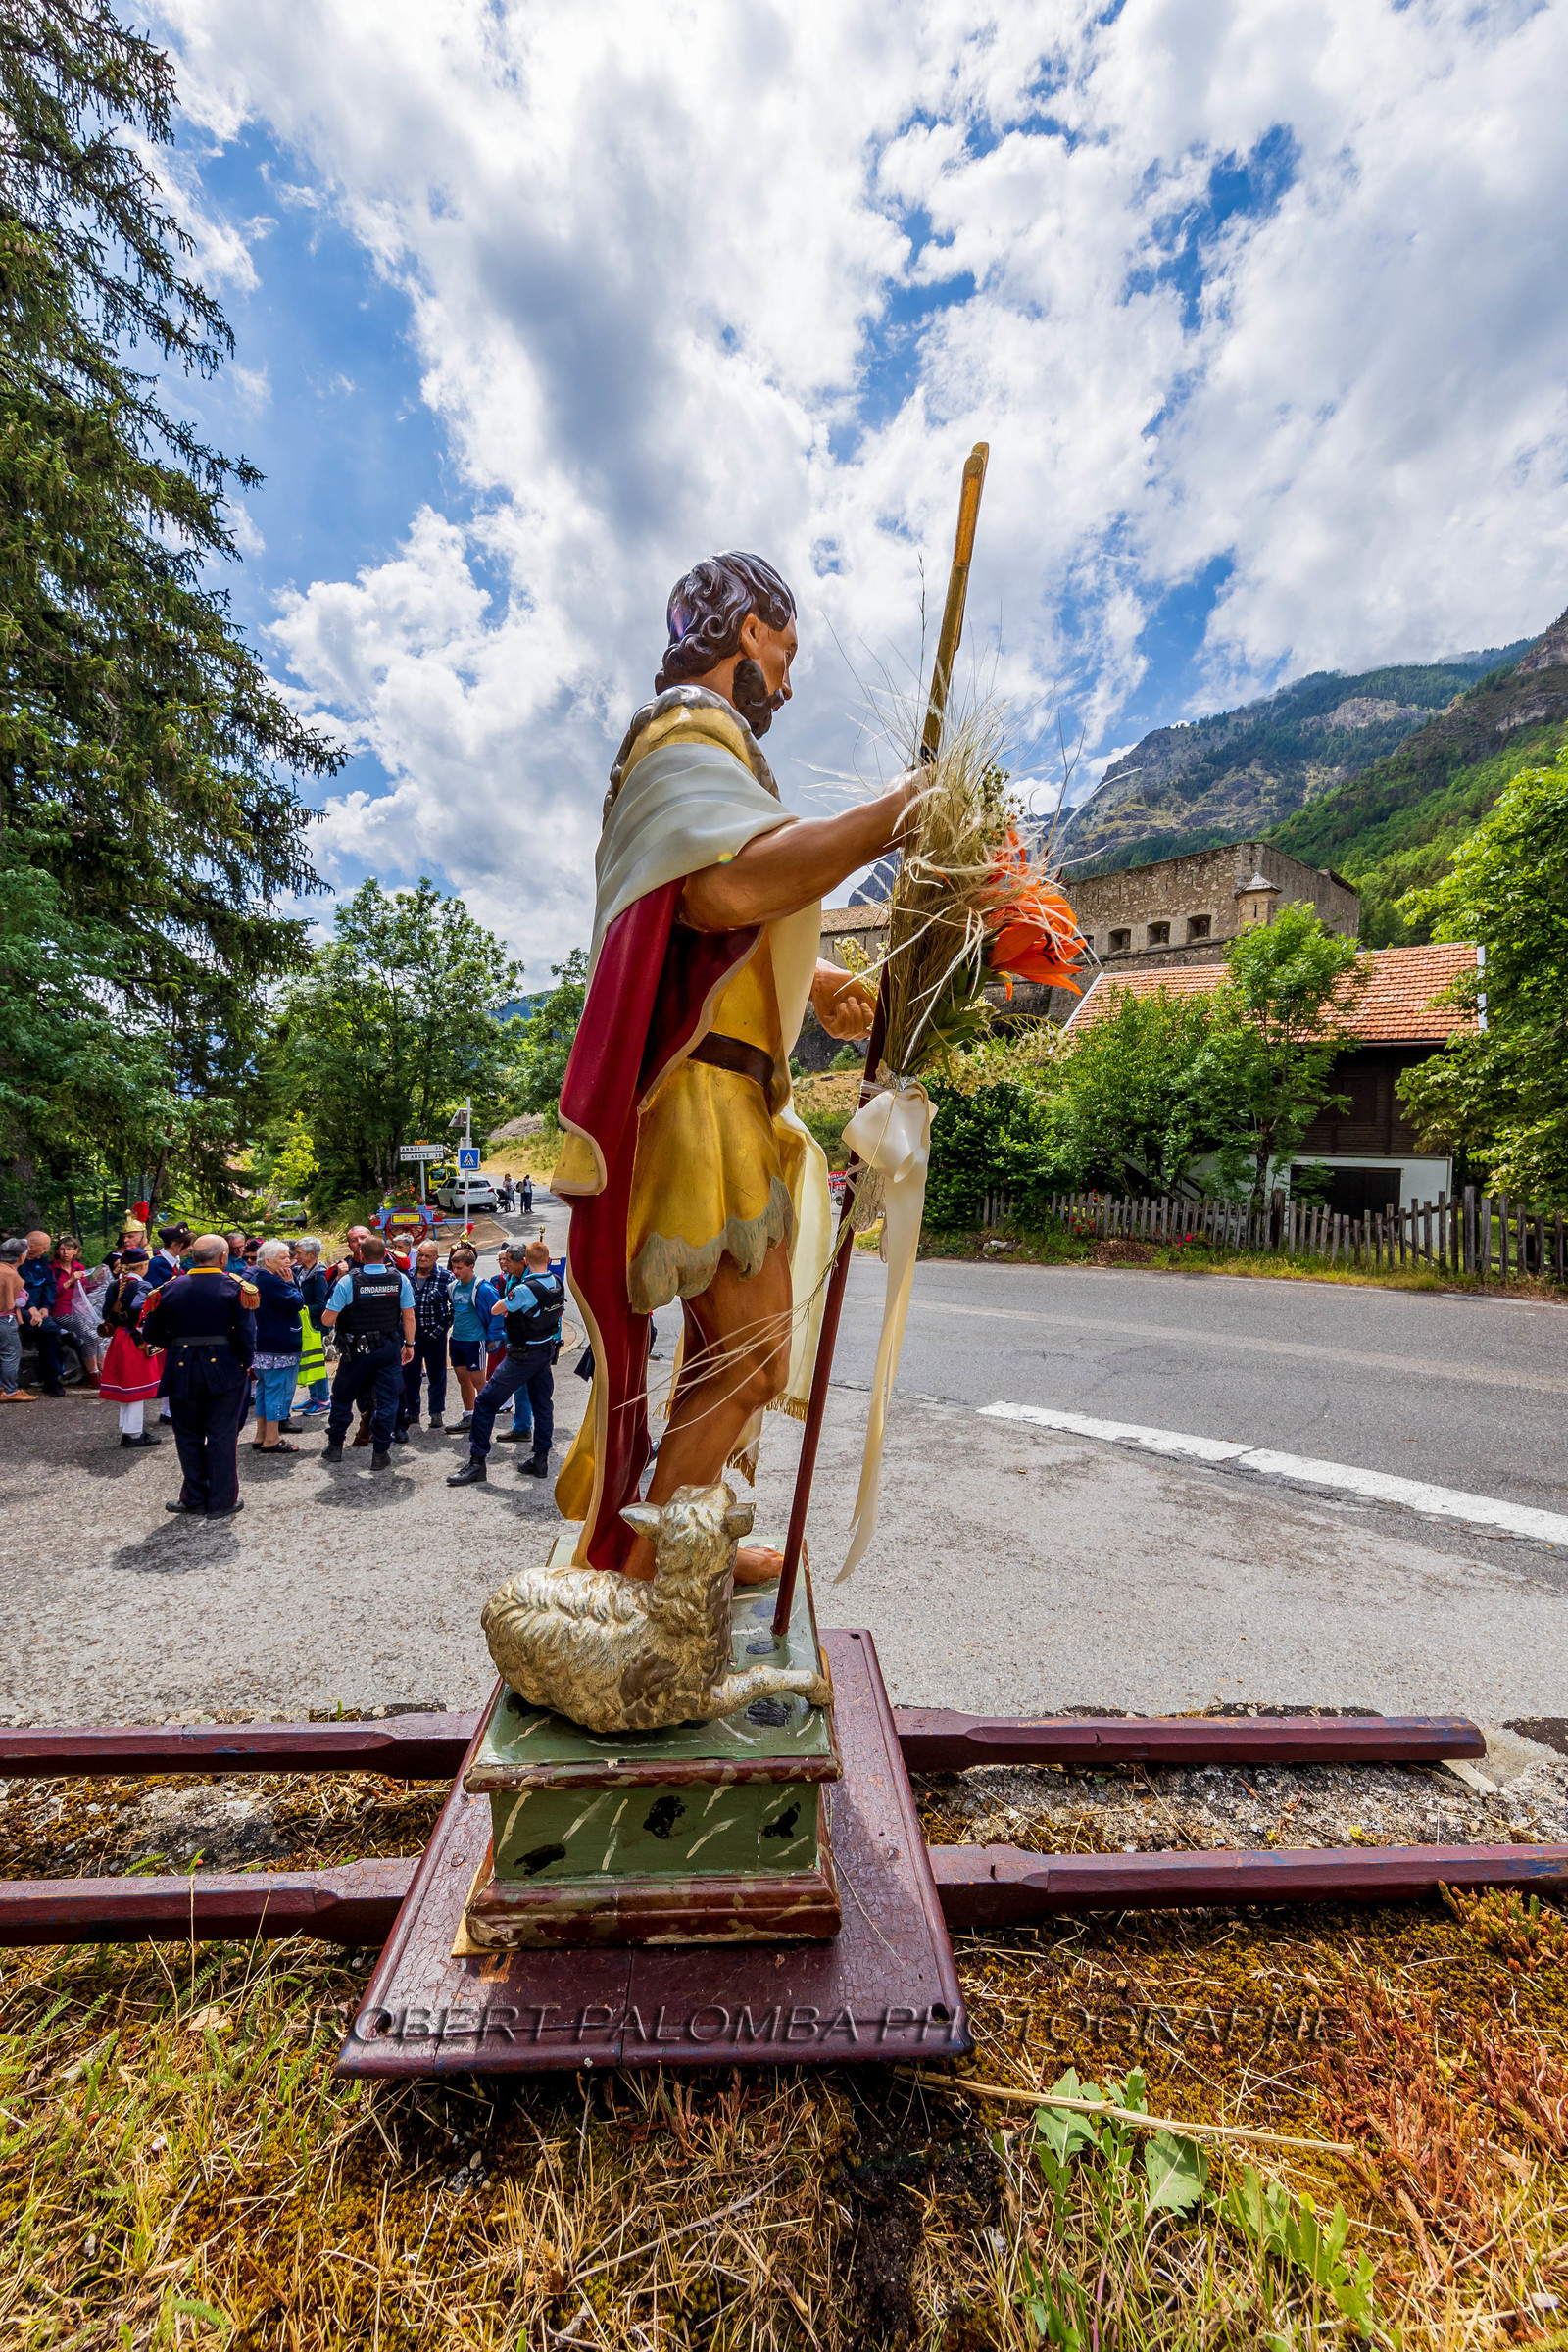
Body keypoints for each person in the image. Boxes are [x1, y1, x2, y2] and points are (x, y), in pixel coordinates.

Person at [551, 551, 893, 1578]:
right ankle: (648, 1578)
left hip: (731, 1089)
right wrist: (896, 812)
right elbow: (721, 892)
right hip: (700, 1094)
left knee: (726, 1352)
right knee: (750, 1360)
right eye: (784, 650)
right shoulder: (687, 734)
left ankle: (680, 1546)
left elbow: (705, 897)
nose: (787, 679)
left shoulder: (715, 750)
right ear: (748, 631)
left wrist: (818, 973)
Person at [143, 1234, 256, 1516]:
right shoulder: (236, 1288)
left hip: (182, 1365)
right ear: (223, 1258)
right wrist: (245, 1363)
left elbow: (152, 1333)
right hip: (226, 1366)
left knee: (187, 1434)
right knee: (221, 1434)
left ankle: (193, 1497)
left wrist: (181, 1342)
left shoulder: (168, 1289)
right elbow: (246, 1334)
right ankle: (221, 1500)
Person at [447, 1238, 564, 1488]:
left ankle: (477, 1462)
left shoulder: (524, 1289)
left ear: (526, 1262)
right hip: (544, 1350)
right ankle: (540, 1458)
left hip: (523, 1355)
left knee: (486, 1402)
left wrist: (510, 1308)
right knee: (542, 1406)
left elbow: (496, 1309)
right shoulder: (556, 1282)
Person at [319, 1235, 415, 1470]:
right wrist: (409, 1344)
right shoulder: (400, 1280)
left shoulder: (349, 1282)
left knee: (342, 1397)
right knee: (388, 1400)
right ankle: (380, 1452)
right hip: (388, 1347)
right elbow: (409, 1316)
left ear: (360, 1256)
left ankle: (335, 1447)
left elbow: (327, 1319)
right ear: (385, 1254)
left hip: (356, 1350)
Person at [99, 1247, 164, 1444]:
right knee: (136, 1386)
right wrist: (144, 1322)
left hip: (119, 1336)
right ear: (144, 1266)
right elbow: (138, 1307)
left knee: (126, 1385)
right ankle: (134, 1433)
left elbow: (104, 1313)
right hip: (135, 1339)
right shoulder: (143, 1285)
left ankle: (128, 1427)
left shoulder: (113, 1285)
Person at [250, 1238, 305, 1454]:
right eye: (283, 1258)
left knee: (264, 1389)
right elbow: (297, 1303)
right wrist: (292, 1283)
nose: (289, 1262)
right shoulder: (274, 1282)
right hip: (279, 1345)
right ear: (268, 1261)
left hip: (262, 1344)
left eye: (289, 1257)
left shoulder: (257, 1278)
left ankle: (261, 1434)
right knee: (278, 1389)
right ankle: (272, 1438)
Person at [400, 1237, 454, 1436]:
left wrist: (441, 1328)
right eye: (420, 1255)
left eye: (427, 1256)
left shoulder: (446, 1278)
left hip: (435, 1335)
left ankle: (436, 1412)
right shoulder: (407, 1276)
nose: (422, 1259)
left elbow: (454, 1308)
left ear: (436, 1258)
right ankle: (412, 1410)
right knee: (410, 1374)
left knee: (437, 1375)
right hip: (411, 1337)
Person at [445, 1246, 496, 1432]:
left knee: (479, 1382)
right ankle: (469, 1415)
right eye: (453, 1267)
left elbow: (496, 1312)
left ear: (471, 1266)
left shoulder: (483, 1288)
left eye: (459, 1268)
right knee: (462, 1379)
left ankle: (485, 1417)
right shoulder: (452, 1287)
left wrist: (494, 1337)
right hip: (457, 1340)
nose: (455, 1272)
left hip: (475, 1341)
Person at [16, 1230, 65, 1396]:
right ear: (31, 1246)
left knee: (49, 1332)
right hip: (19, 1307)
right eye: (44, 1247)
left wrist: (46, 1306)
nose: (47, 1250)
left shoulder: (42, 1261)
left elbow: (50, 1284)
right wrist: (31, 1307)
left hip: (40, 1307)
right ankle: (52, 1379)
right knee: (49, 1328)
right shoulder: (14, 1260)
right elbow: (14, 1288)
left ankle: (52, 1379)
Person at [50, 1237, 102, 1384]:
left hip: (79, 1310)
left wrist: (98, 1280)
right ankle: (94, 1374)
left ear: (76, 1251)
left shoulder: (79, 1267)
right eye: (61, 1249)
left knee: (98, 1332)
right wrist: (70, 1280)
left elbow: (85, 1290)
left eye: (69, 1249)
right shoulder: (52, 1269)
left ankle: (102, 1370)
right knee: (89, 1335)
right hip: (60, 1312)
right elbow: (51, 1293)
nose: (65, 1252)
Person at [292, 1238, 331, 1414]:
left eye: (299, 1253)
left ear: (311, 1254)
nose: (295, 1256)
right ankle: (313, 1397)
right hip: (304, 1325)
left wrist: (300, 1308)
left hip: (315, 1326)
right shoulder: (300, 1271)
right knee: (308, 1361)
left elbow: (321, 1305)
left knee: (317, 1362)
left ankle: (323, 1399)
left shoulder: (319, 1275)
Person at [0, 1238, 30, 1403]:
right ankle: (10, 1391)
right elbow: (19, 1301)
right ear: (20, 1257)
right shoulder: (11, 1274)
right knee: (10, 1354)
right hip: (4, 1319)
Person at [148, 1223, 193, 1288]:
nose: (191, 1247)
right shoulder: (156, 1264)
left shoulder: (175, 1263)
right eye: (188, 1245)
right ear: (174, 1245)